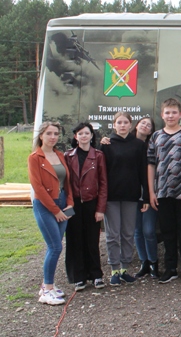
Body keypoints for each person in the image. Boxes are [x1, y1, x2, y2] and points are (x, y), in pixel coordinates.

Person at [148, 98, 181, 284]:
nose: (170, 116)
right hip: (162, 193)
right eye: (167, 112)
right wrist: (151, 192)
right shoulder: (156, 137)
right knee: (167, 231)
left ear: (180, 114)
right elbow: (151, 165)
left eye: (174, 112)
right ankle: (170, 268)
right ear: (162, 115)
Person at [101, 112, 149, 286]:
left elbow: (143, 172)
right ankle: (114, 269)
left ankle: (124, 269)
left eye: (125, 122)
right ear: (114, 125)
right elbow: (101, 172)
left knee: (128, 234)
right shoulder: (106, 144)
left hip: (131, 196)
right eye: (119, 122)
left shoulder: (138, 145)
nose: (122, 125)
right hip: (111, 197)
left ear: (130, 125)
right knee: (113, 234)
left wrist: (146, 197)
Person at [28, 122, 74, 305]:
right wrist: (55, 211)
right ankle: (46, 290)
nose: (53, 137)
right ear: (41, 135)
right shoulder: (35, 158)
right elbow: (38, 188)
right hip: (45, 205)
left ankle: (47, 284)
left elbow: (67, 182)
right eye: (49, 133)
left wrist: (69, 203)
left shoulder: (60, 155)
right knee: (55, 247)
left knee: (56, 245)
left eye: (56, 133)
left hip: (62, 202)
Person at [64, 122, 108, 291]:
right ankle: (79, 277)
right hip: (74, 204)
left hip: (91, 203)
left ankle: (96, 275)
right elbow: (65, 183)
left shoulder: (98, 156)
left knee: (92, 241)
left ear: (91, 136)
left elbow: (103, 183)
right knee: (76, 240)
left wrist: (100, 209)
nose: (83, 136)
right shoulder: (68, 156)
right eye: (80, 133)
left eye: (86, 133)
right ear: (76, 136)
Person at [131, 117, 159, 279]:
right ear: (136, 125)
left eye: (149, 125)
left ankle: (154, 262)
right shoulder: (127, 144)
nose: (145, 126)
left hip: (148, 194)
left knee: (149, 230)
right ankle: (144, 263)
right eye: (143, 123)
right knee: (137, 231)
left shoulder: (151, 147)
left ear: (151, 131)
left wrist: (148, 197)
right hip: (132, 195)